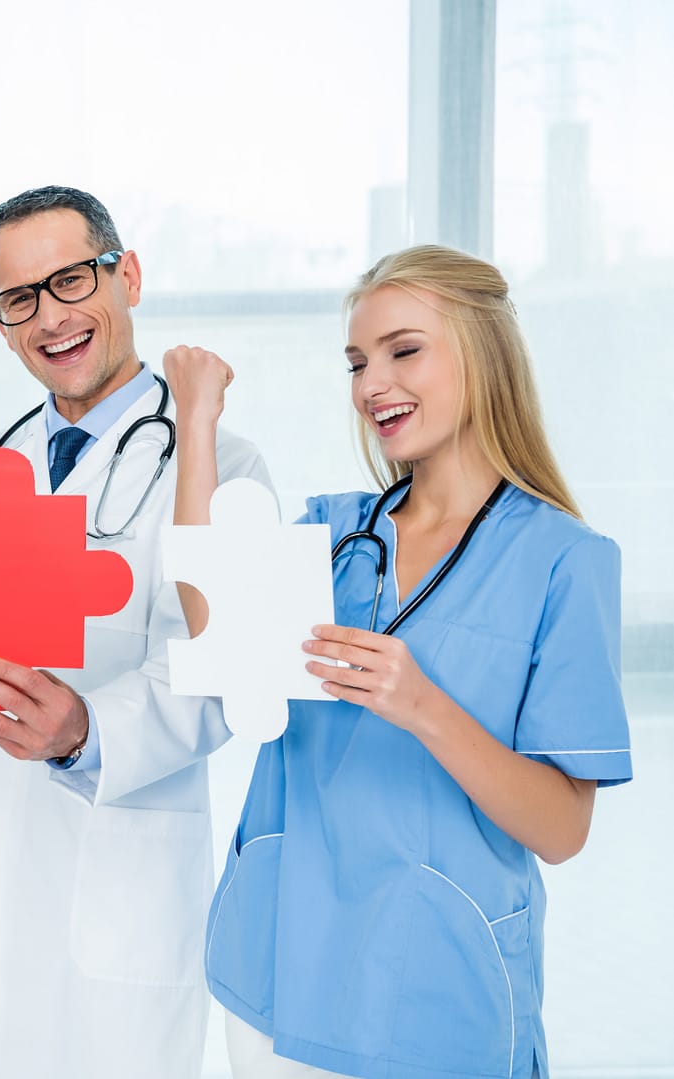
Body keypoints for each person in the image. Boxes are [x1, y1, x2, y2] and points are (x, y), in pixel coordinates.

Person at [170, 245, 631, 1078]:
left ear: (483, 353)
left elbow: (561, 828)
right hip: (280, 968)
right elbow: (213, 622)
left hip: (436, 983)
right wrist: (195, 420)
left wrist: (423, 705)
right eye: (356, 363)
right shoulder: (333, 533)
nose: (370, 384)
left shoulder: (564, 561)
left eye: (402, 350)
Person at [0, 185, 270, 1078]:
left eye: (71, 280)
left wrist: (85, 730)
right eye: (18, 298)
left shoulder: (222, 465)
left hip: (109, 886)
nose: (49, 317)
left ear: (128, 277)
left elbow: (217, 677)